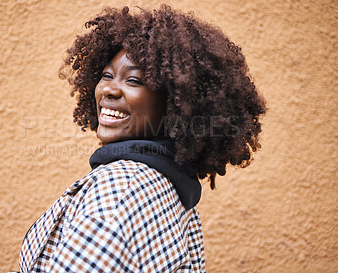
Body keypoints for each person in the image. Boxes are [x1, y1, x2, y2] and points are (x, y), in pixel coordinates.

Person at [18, 5, 266, 273]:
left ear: (175, 103)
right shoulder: (172, 184)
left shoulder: (119, 191)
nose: (109, 90)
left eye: (134, 80)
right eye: (106, 75)